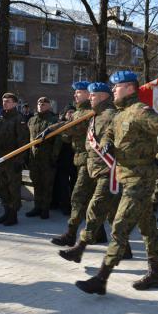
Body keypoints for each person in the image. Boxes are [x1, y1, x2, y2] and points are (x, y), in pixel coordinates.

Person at [75, 71, 158, 295]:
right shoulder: (120, 114)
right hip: (125, 177)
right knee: (148, 228)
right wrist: (108, 144)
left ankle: (101, 278)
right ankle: (155, 274)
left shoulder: (141, 112)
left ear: (129, 88)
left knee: (119, 225)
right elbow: (108, 133)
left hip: (141, 180)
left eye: (116, 87)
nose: (113, 91)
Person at [59, 82, 129, 263]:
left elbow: (123, 138)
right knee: (112, 212)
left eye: (93, 95)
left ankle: (78, 249)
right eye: (88, 95)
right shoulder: (95, 116)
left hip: (110, 170)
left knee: (95, 208)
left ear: (104, 96)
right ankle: (124, 248)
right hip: (96, 169)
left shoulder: (111, 115)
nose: (90, 97)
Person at [51, 82, 98, 246]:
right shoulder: (79, 112)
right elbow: (68, 136)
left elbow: (70, 130)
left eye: (79, 92)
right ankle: (102, 235)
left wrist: (54, 128)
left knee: (78, 197)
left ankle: (71, 234)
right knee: (94, 200)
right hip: (82, 160)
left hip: (88, 160)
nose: (75, 95)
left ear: (88, 93)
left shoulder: (87, 112)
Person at [0, 93, 29, 226]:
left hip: (13, 159)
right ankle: (6, 212)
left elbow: (23, 142)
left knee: (13, 188)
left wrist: (20, 161)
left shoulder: (19, 119)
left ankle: (13, 215)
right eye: (4, 101)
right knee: (2, 187)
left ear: (14, 104)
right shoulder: (0, 118)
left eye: (8, 101)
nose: (5, 103)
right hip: (1, 159)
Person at [25, 97, 60, 219]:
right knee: (36, 183)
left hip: (47, 158)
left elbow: (58, 141)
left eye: (44, 104)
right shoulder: (32, 120)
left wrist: (54, 157)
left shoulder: (54, 120)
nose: (41, 105)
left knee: (46, 184)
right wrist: (26, 157)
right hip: (34, 158)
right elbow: (28, 139)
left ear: (49, 106)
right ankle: (37, 207)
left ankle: (45, 209)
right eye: (39, 103)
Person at [51, 104, 77, 216]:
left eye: (73, 112)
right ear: (65, 114)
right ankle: (64, 205)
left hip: (75, 159)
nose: (71, 114)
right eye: (69, 112)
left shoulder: (79, 125)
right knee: (62, 183)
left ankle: (74, 205)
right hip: (62, 159)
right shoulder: (59, 126)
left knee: (75, 184)